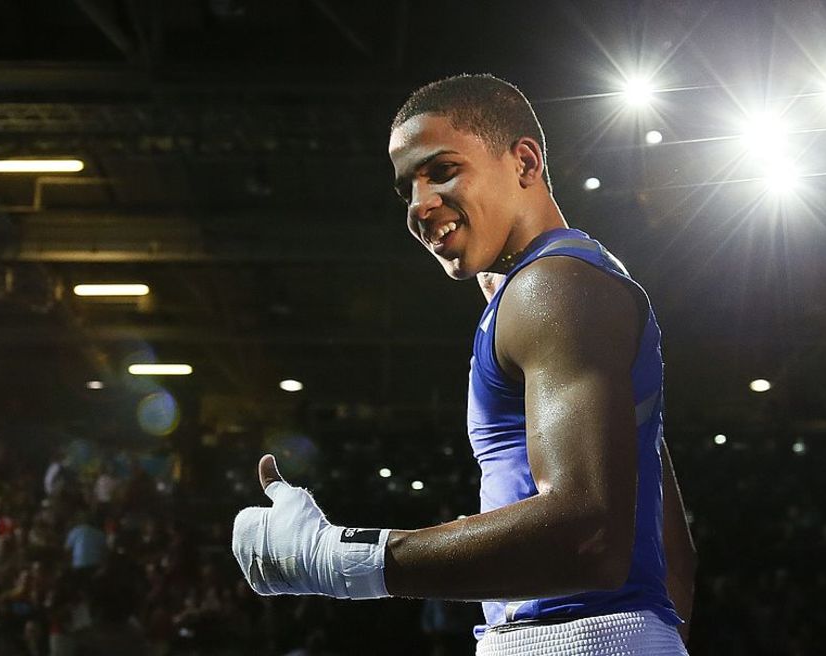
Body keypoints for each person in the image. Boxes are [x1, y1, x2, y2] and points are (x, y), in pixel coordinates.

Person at [232, 74, 697, 654]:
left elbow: (589, 535)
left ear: (525, 161)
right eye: (408, 188)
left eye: (443, 170)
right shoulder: (565, 283)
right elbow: (671, 555)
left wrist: (336, 557)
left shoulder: (551, 288)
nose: (420, 205)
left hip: (568, 639)